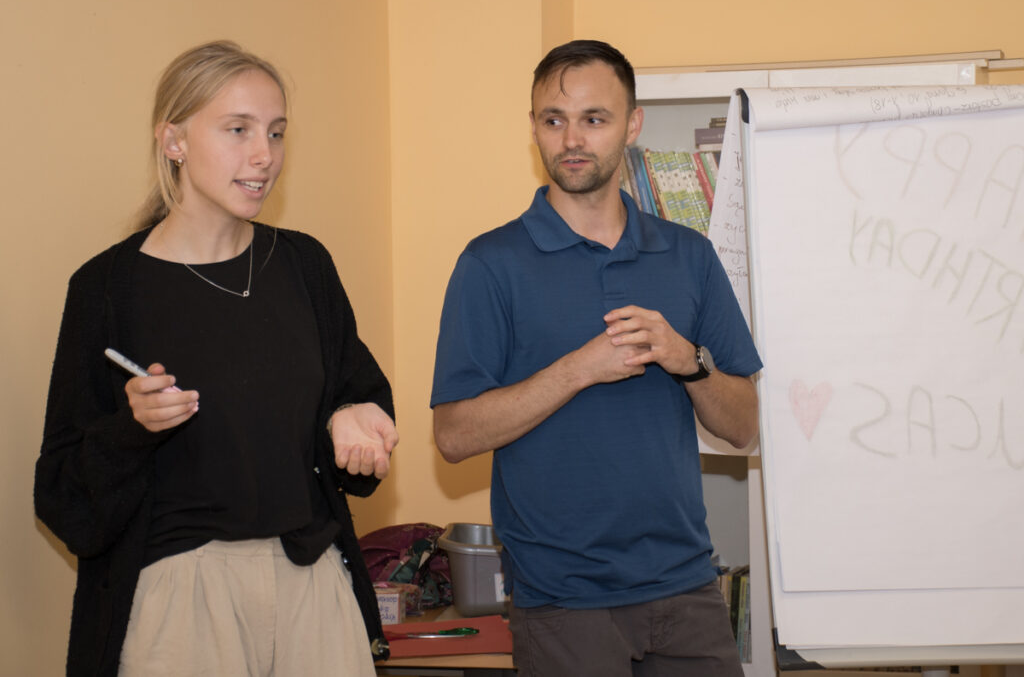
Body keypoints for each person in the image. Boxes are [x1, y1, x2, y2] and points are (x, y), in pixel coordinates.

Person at [34, 40, 398, 677]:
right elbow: (63, 498)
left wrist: (353, 421)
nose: (265, 155)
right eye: (238, 130)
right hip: (180, 602)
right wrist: (132, 428)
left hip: (313, 585)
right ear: (173, 140)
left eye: (276, 132)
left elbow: (355, 408)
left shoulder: (305, 266)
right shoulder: (106, 289)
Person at [431, 39, 762, 676]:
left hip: (686, 586)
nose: (572, 139)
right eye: (553, 120)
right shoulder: (490, 264)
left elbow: (744, 426)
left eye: (594, 119)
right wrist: (578, 369)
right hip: (562, 602)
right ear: (533, 128)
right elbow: (453, 436)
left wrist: (687, 359)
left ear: (632, 125)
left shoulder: (688, 255)